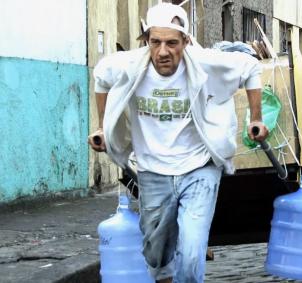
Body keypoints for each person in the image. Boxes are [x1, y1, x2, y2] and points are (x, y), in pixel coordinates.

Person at [87, 3, 268, 283]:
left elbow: (251, 67)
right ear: (146, 40)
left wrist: (256, 118)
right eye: (155, 42)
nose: (162, 51)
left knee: (192, 252)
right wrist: (102, 126)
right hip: (152, 171)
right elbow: (101, 75)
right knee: (156, 256)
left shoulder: (204, 61)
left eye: (171, 43)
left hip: (199, 168)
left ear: (185, 41)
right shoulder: (130, 65)